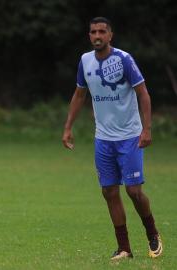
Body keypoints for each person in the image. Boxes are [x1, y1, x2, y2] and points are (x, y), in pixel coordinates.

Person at [62, 17, 163, 260]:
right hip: (103, 138)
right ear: (89, 36)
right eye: (93, 32)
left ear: (110, 35)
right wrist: (68, 127)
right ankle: (124, 248)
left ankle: (152, 233)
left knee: (133, 191)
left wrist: (146, 129)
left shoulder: (124, 59)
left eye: (102, 32)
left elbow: (144, 94)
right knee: (108, 191)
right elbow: (79, 95)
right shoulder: (85, 61)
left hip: (129, 136)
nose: (97, 36)